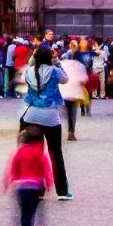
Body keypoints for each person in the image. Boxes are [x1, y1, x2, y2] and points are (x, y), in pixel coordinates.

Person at [20, 43, 71, 201]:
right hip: (50, 116)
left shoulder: (28, 72)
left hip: (31, 115)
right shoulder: (55, 71)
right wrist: (56, 61)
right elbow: (66, 79)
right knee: (55, 153)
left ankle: (36, 188)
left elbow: (22, 78)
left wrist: (32, 60)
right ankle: (62, 191)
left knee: (34, 153)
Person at [2, 123, 55, 226]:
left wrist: (8, 183)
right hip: (35, 187)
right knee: (31, 212)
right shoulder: (40, 154)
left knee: (22, 211)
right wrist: (48, 184)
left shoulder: (19, 152)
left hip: (20, 186)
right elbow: (47, 171)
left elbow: (12, 169)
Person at [58, 46, 89, 140]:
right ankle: (71, 131)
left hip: (62, 92)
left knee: (63, 113)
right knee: (72, 114)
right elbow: (84, 80)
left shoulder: (60, 64)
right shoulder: (80, 65)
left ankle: (65, 128)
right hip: (74, 93)